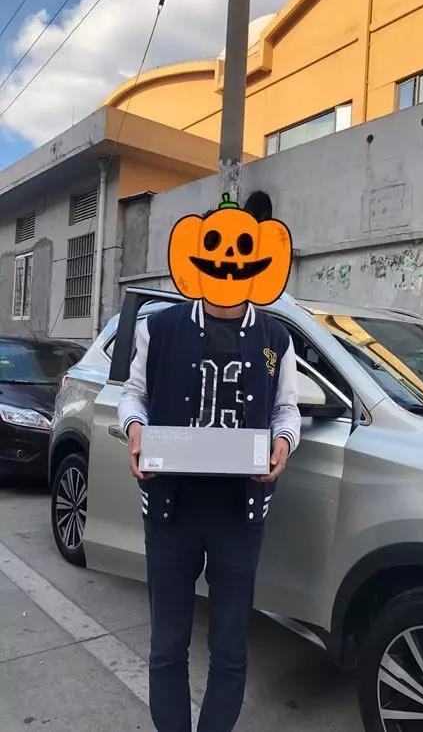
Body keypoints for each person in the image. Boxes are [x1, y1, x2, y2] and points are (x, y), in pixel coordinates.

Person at [118, 293, 301, 732]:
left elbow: (286, 409)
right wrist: (135, 428)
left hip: (239, 512)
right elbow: (134, 395)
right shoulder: (160, 328)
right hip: (171, 508)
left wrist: (284, 441)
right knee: (167, 645)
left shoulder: (275, 337)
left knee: (230, 648)